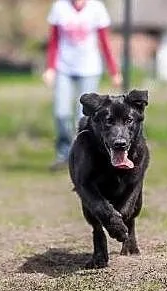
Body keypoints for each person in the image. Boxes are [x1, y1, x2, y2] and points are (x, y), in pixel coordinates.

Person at [43, 0, 122, 171]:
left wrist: (114, 71)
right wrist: (50, 68)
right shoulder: (59, 7)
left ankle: (82, 156)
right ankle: (63, 154)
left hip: (89, 69)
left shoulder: (97, 8)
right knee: (61, 113)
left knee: (84, 117)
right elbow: (54, 40)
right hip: (64, 67)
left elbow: (105, 42)